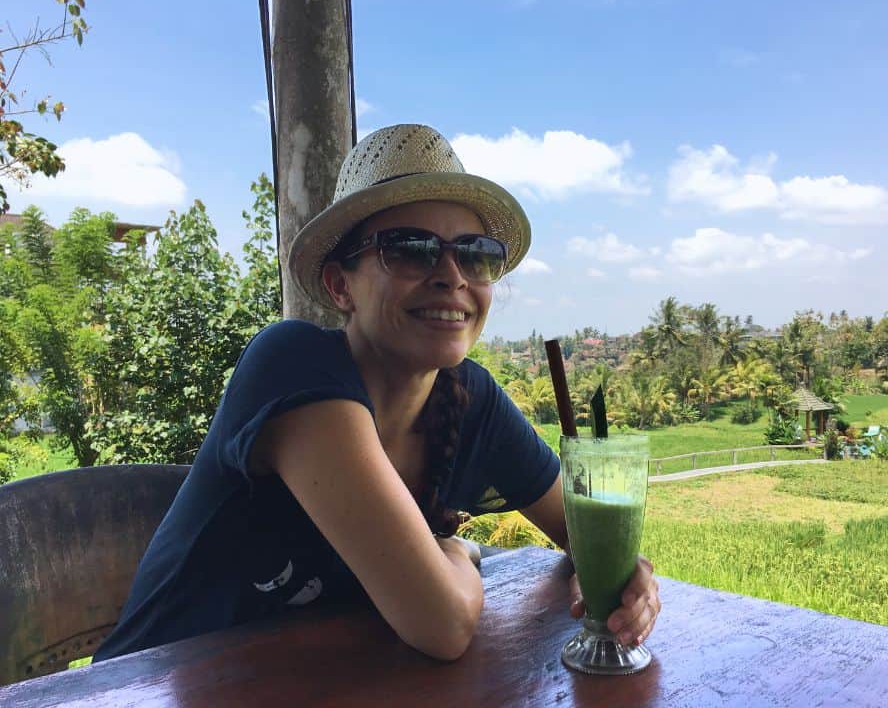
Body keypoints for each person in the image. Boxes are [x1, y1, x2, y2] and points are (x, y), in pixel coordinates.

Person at [93, 124, 661, 663]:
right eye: (411, 248)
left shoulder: (471, 399)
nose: (451, 275)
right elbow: (442, 624)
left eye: (475, 253)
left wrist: (623, 573)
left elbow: (583, 536)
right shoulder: (292, 366)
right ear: (341, 286)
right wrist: (460, 550)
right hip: (142, 688)